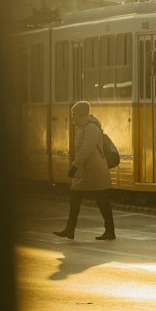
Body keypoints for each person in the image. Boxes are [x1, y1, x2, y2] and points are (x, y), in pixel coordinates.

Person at [54, 100, 116, 241]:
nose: (72, 117)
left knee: (102, 201)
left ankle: (110, 232)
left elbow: (86, 150)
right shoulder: (82, 128)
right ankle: (70, 230)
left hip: (94, 172)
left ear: (80, 113)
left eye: (74, 114)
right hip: (86, 171)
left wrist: (74, 166)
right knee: (77, 199)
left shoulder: (91, 128)